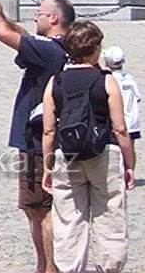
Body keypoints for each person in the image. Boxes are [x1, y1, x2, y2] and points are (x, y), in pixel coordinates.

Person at [41, 21, 135, 273]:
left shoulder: (56, 82)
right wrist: (130, 164)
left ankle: (70, 268)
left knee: (68, 221)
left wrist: (48, 166)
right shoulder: (106, 80)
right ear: (95, 49)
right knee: (109, 215)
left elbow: (49, 130)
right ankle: (109, 267)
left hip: (67, 155)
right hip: (102, 154)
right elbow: (120, 128)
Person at [0, 0, 75, 273]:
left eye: (39, 13)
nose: (35, 17)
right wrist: (7, 17)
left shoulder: (49, 51)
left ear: (54, 18)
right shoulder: (61, 47)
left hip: (38, 139)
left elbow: (2, 33)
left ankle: (49, 267)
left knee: (41, 208)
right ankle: (45, 265)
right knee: (35, 207)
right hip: (45, 137)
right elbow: (23, 37)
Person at [101, 46, 142, 140]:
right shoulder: (130, 78)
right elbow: (138, 97)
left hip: (116, 123)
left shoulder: (108, 80)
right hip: (132, 122)